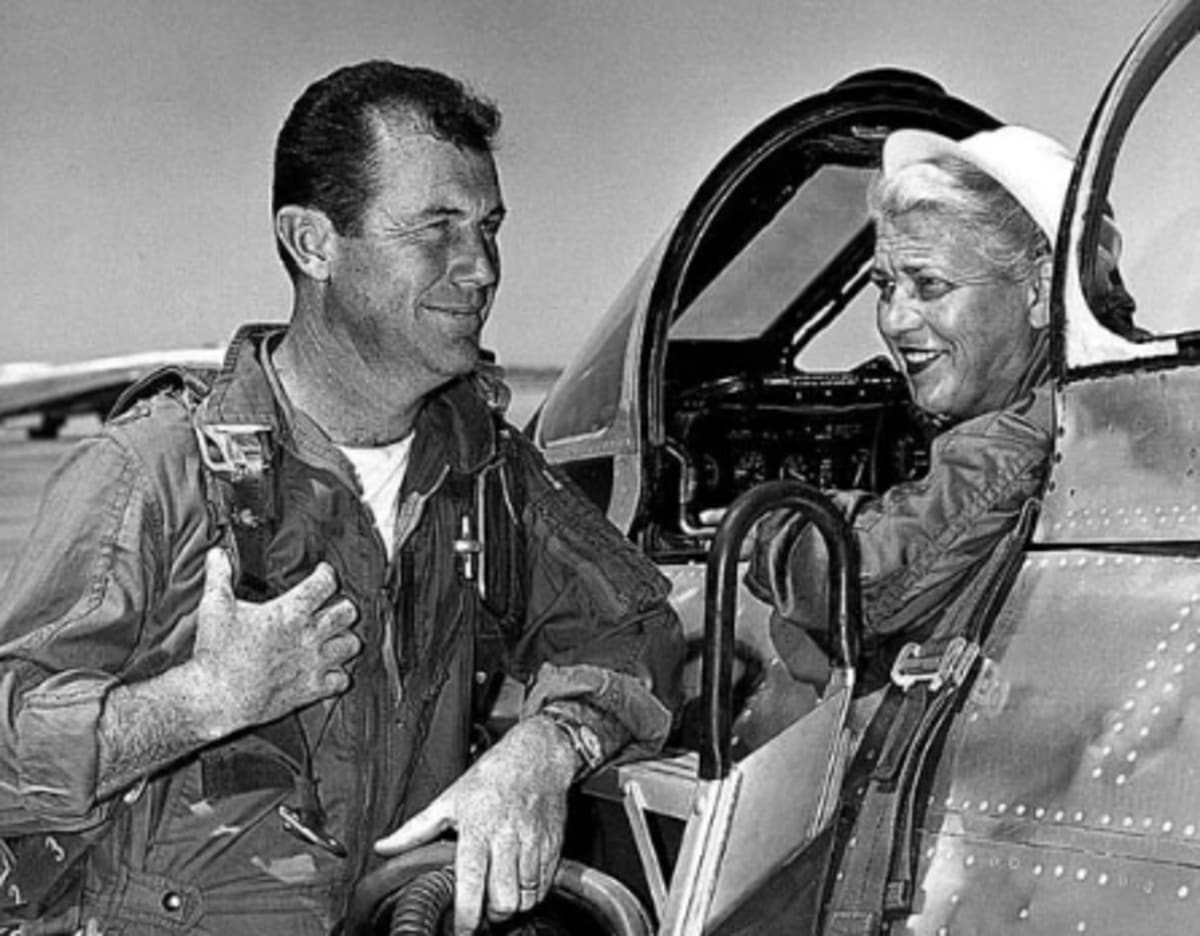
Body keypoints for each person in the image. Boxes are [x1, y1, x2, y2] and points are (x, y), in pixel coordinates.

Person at [0, 61, 683, 935]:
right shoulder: (154, 473)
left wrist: (546, 751)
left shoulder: (484, 470)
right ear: (312, 243)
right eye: (435, 227)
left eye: (488, 226)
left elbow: (637, 629)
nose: (480, 267)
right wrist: (201, 701)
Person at [747, 124, 1124, 690]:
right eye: (885, 287)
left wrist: (772, 523)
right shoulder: (1097, 401)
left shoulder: (1027, 435)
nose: (894, 321)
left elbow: (864, 582)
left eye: (929, 286)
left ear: (1041, 290)